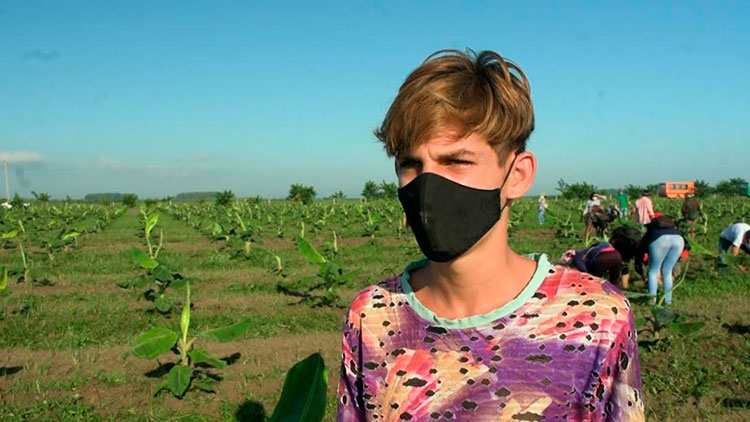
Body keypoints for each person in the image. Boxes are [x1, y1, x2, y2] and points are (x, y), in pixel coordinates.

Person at [338, 49, 644, 422]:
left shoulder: (598, 318)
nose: (428, 185)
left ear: (517, 175)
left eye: (457, 161)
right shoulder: (371, 316)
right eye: (410, 164)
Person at [569, 225, 642, 289]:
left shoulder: (603, 246)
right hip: (606, 261)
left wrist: (586, 274)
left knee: (593, 282)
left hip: (592, 262)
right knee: (610, 283)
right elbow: (617, 279)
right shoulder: (617, 256)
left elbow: (578, 259)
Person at [635, 213, 684, 305]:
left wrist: (638, 264)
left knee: (653, 272)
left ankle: (652, 300)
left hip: (660, 240)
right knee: (667, 271)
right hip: (679, 240)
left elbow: (641, 248)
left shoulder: (653, 230)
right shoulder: (674, 229)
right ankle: (668, 301)